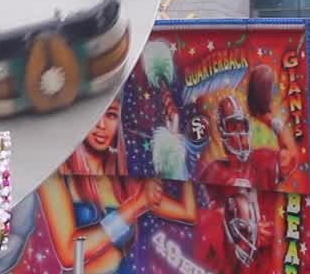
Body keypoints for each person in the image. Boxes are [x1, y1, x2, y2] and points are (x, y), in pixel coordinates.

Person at [40, 97, 196, 274]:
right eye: (93, 114)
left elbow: (188, 211)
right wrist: (134, 207)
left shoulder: (124, 182)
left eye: (111, 115)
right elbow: (69, 254)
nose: (101, 125)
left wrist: (176, 142)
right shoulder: (57, 175)